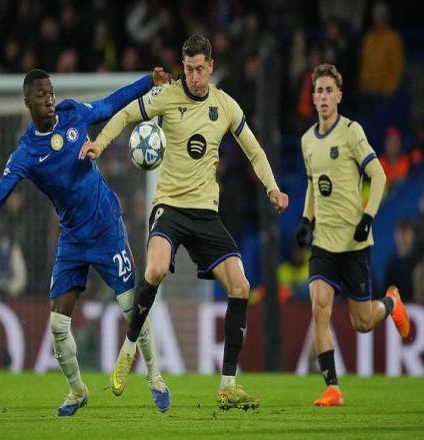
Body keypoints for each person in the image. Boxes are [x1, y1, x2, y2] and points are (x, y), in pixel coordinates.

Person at [0, 67, 172, 416]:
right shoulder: (26, 153)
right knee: (58, 325)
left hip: (106, 226)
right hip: (71, 237)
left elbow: (110, 104)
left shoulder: (73, 113)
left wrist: (148, 81)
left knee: (132, 307)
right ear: (27, 102)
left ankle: (155, 376)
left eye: (51, 92)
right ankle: (77, 391)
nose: (50, 99)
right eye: (41, 94)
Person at [80, 35, 289, 411]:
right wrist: (101, 143)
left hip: (206, 213)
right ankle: (129, 350)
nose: (194, 76)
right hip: (171, 208)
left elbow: (255, 151)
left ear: (211, 67)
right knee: (156, 269)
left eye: (200, 69)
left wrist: (273, 188)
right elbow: (126, 114)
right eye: (189, 69)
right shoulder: (167, 95)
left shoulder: (225, 105)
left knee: (240, 286)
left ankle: (228, 385)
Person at [295, 63, 411, 407]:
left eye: (329, 90)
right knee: (319, 307)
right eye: (319, 90)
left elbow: (379, 175)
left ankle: (391, 303)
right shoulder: (306, 141)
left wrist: (368, 217)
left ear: (339, 96)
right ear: (314, 97)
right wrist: (306, 220)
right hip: (323, 242)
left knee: (362, 322)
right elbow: (313, 184)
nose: (323, 96)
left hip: (353, 243)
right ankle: (332, 387)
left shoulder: (351, 132)